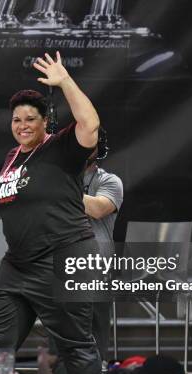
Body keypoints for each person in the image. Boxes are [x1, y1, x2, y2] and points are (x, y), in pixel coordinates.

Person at [0, 51, 102, 374]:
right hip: (18, 266)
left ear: (46, 121)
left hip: (64, 258)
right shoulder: (12, 157)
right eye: (16, 119)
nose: (22, 124)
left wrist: (64, 82)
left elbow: (90, 125)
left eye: (31, 118)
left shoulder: (61, 148)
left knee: (76, 348)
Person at [82, 131, 123, 359]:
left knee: (95, 343)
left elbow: (97, 209)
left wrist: (58, 187)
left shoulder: (109, 181)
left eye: (90, 143)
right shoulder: (57, 180)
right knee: (59, 346)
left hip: (96, 268)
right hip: (59, 267)